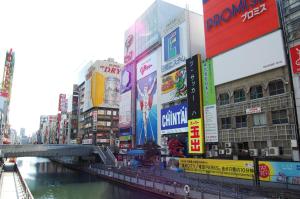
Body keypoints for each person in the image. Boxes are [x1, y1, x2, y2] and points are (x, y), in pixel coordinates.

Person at [137, 77, 157, 144]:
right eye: (144, 88)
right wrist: (137, 85)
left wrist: (154, 81)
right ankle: (145, 135)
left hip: (147, 108)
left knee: (147, 118)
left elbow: (151, 87)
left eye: (146, 88)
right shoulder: (142, 94)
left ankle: (147, 134)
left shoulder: (148, 93)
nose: (145, 89)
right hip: (143, 109)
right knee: (144, 122)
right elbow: (139, 90)